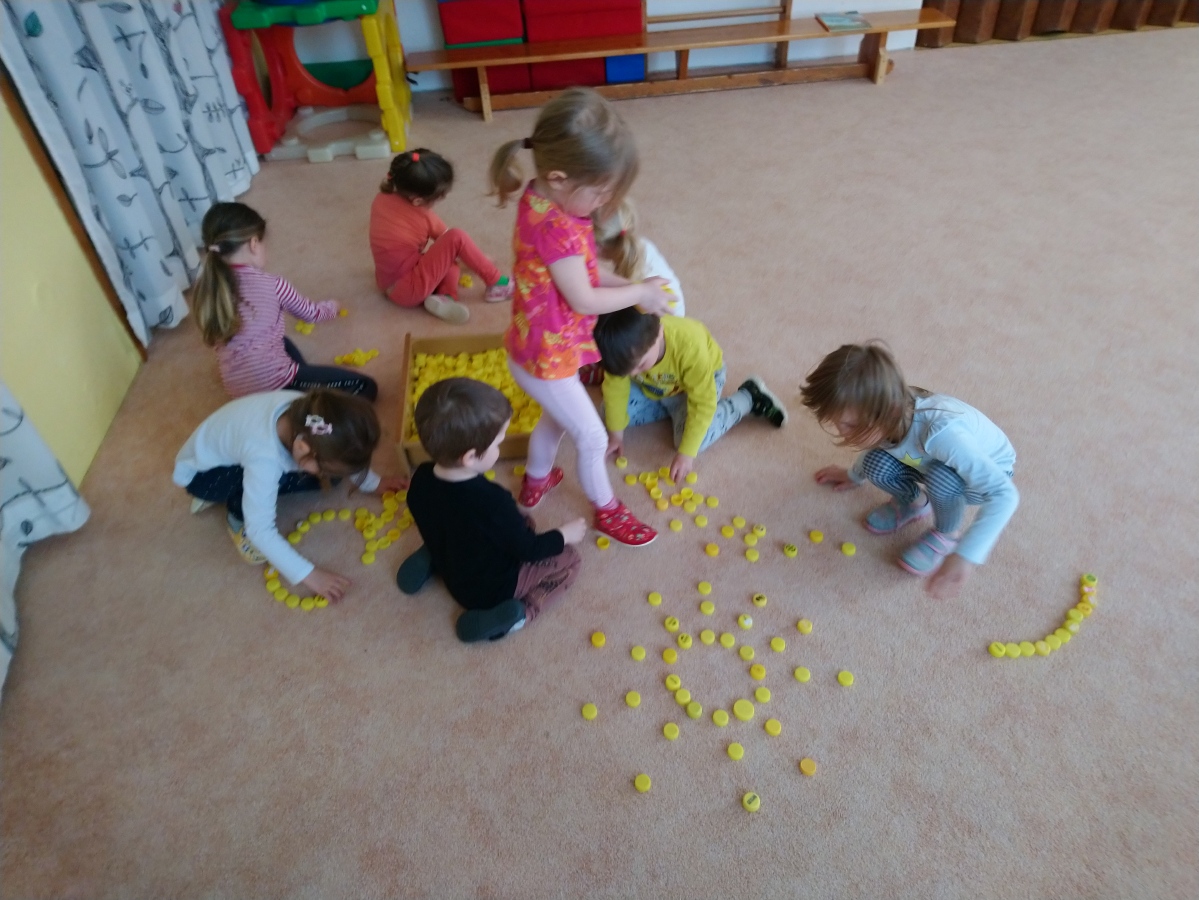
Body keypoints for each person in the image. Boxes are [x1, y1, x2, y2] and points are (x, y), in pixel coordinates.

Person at [488, 88, 674, 547]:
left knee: (555, 420)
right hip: (544, 358)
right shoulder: (554, 226)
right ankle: (607, 510)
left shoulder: (544, 198)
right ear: (559, 177)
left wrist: (634, 287)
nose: (604, 203)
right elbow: (585, 298)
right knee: (590, 437)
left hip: (543, 347)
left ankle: (535, 483)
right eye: (600, 192)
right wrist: (638, 293)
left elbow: (584, 273)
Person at [800, 342, 1018, 600]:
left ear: (889, 412)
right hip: (927, 460)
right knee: (875, 463)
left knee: (942, 477)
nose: (842, 433)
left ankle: (947, 533)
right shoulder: (886, 413)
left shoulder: (943, 434)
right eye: (838, 423)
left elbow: (1005, 495)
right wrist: (853, 475)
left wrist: (965, 556)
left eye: (850, 425)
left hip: (983, 477)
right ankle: (915, 503)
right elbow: (877, 445)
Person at [398, 378, 586, 643]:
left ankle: (430, 556)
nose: (498, 449)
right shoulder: (493, 503)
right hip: (492, 591)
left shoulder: (421, 478)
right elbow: (529, 549)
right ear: (469, 457)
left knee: (453, 524)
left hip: (451, 561)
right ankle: (520, 615)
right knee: (570, 559)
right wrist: (564, 534)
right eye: (497, 443)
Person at [174, 388, 405, 602]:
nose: (324, 473)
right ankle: (236, 516)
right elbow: (260, 530)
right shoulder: (264, 459)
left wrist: (373, 483)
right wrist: (310, 575)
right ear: (303, 448)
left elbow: (346, 449)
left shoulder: (311, 415)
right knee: (276, 481)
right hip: (204, 477)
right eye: (322, 467)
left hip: (240, 450)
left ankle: (307, 473)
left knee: (334, 477)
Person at [193, 202, 376, 400]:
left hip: (239, 393)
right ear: (254, 244)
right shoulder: (274, 285)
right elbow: (311, 313)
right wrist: (332, 306)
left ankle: (298, 390)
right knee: (366, 386)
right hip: (276, 382)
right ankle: (299, 403)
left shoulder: (206, 289)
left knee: (281, 340)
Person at [594, 307, 786, 482]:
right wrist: (616, 435)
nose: (633, 373)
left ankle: (749, 396)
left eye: (641, 364)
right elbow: (615, 389)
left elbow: (703, 402)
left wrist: (686, 454)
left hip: (698, 385)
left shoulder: (689, 345)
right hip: (655, 387)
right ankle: (673, 410)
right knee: (609, 415)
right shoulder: (621, 355)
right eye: (626, 371)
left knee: (691, 442)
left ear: (659, 332)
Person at [369, 148, 513, 324]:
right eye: (439, 196)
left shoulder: (381, 198)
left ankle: (445, 298)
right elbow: (454, 242)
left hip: (386, 282)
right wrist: (480, 260)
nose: (440, 199)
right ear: (417, 201)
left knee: (449, 264)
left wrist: (474, 258)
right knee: (456, 236)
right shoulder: (424, 215)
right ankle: (497, 283)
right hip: (409, 289)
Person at [593, 198, 686, 316]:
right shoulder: (641, 244)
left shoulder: (640, 282)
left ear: (598, 247)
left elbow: (592, 301)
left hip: (664, 321)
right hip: (674, 308)